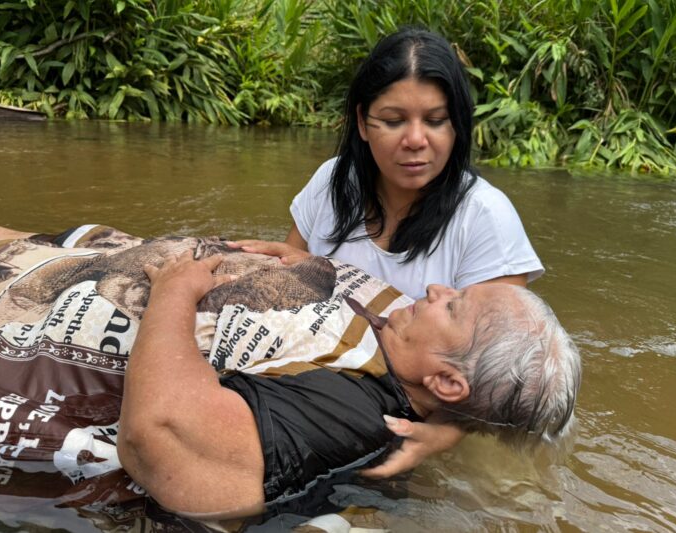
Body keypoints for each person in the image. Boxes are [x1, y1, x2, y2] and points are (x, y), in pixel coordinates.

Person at [0, 176, 581, 519]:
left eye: (455, 304)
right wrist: (307, 268)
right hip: (99, 267)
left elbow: (162, 438)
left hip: (7, 313)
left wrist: (175, 291)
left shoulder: (354, 413)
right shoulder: (401, 332)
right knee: (113, 247)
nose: (438, 288)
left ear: (447, 384)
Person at [229, 27, 545, 474]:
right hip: (304, 391)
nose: (416, 140)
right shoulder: (332, 184)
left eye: (435, 121)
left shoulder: (485, 218)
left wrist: (442, 435)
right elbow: (289, 283)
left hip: (396, 422)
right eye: (394, 121)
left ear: (457, 125)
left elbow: (504, 374)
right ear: (362, 122)